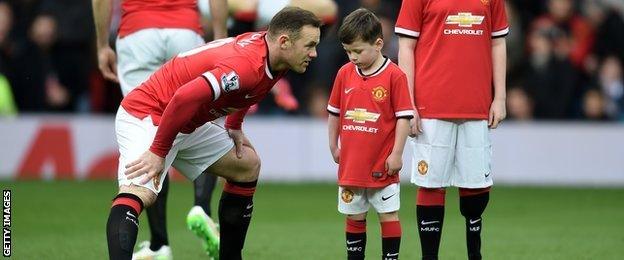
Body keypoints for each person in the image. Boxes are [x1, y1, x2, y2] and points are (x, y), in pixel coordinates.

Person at [104, 7, 321, 260]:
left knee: (247, 165)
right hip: (149, 115)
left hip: (185, 123)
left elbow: (252, 89)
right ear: (284, 41)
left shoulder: (275, 56)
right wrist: (157, 151)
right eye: (310, 45)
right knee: (141, 194)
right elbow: (182, 98)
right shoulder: (246, 65)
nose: (314, 53)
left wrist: (234, 125)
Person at [92, 0, 227, 258]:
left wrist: (101, 44)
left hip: (138, 33)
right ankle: (202, 208)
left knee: (147, 132)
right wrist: (220, 39)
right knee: (198, 120)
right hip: (186, 32)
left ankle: (159, 243)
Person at [395, 0, 509, 259]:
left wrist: (500, 97)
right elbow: (406, 47)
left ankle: (474, 255)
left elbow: (498, 42)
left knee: (476, 189)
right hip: (430, 105)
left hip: (476, 105)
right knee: (431, 184)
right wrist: (408, 102)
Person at [328, 8, 412, 260]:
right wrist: (333, 146)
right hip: (351, 165)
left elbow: (404, 118)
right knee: (354, 215)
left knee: (388, 214)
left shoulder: (395, 76)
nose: (352, 57)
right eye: (348, 51)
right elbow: (334, 113)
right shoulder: (344, 74)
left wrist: (397, 153)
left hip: (382, 165)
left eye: (358, 51)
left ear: (378, 44)